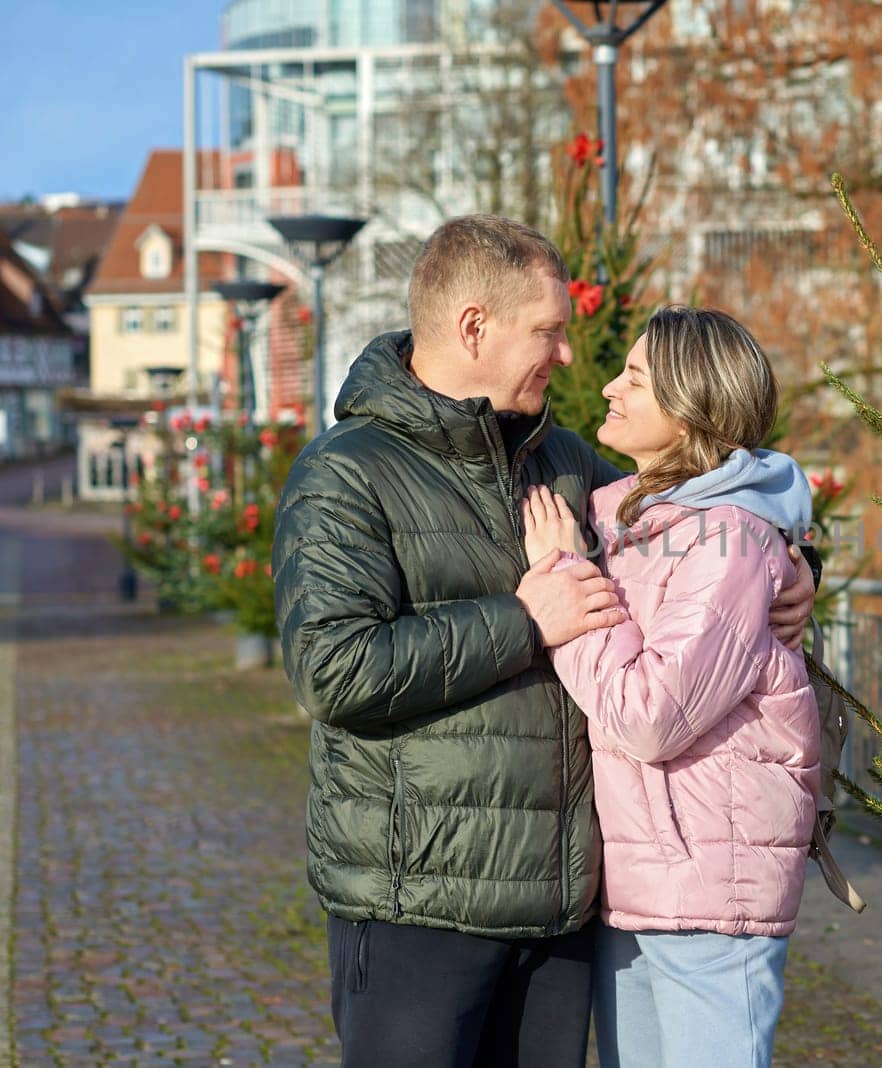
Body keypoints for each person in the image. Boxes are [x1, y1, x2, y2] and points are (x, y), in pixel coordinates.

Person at [271, 215, 816, 1068]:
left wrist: (796, 559)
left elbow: (709, 505)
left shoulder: (562, 457)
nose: (568, 355)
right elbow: (334, 670)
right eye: (549, 333)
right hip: (420, 903)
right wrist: (527, 622)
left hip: (563, 907)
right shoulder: (348, 471)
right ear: (475, 327)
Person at [521, 305, 821, 1068]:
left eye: (637, 378)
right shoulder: (642, 522)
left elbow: (650, 716)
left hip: (711, 896)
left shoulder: (733, 542)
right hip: (639, 884)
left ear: (692, 405)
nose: (612, 389)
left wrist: (565, 583)